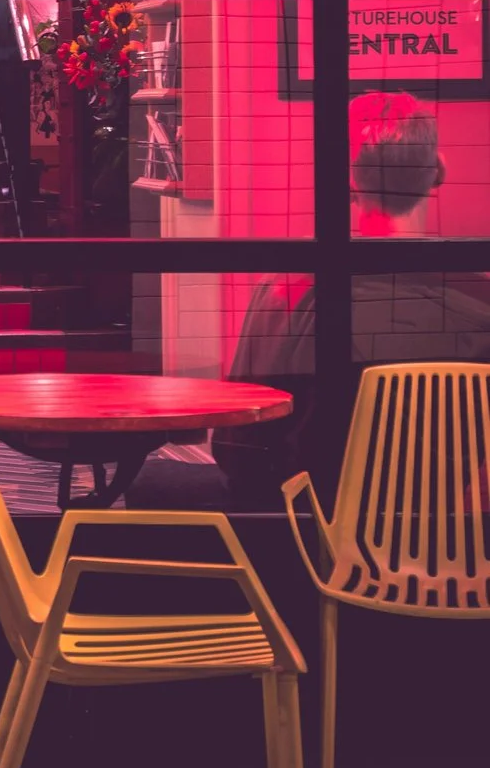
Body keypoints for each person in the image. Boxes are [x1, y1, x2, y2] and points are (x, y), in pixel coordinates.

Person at [142, 93, 490, 510]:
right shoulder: (479, 297)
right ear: (439, 172)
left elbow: (239, 449)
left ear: (342, 180)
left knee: (150, 481)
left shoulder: (287, 291)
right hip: (443, 537)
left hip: (302, 528)